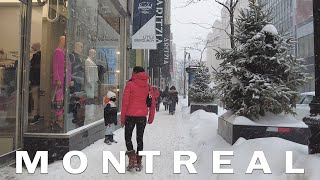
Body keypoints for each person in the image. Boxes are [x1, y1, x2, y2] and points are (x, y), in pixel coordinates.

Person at [121, 66, 156, 172]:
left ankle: (132, 159)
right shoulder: (148, 86)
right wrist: (151, 117)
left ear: (135, 73)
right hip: (142, 117)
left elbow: (125, 103)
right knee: (139, 139)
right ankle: (139, 162)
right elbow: (152, 103)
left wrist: (122, 119)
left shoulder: (129, 84)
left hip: (130, 116)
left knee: (128, 137)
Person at [29, 42, 41, 124]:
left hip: (35, 80)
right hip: (36, 80)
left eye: (32, 47)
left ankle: (35, 115)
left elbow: (34, 68)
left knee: (35, 98)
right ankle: (36, 115)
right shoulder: (38, 56)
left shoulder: (36, 56)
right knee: (36, 98)